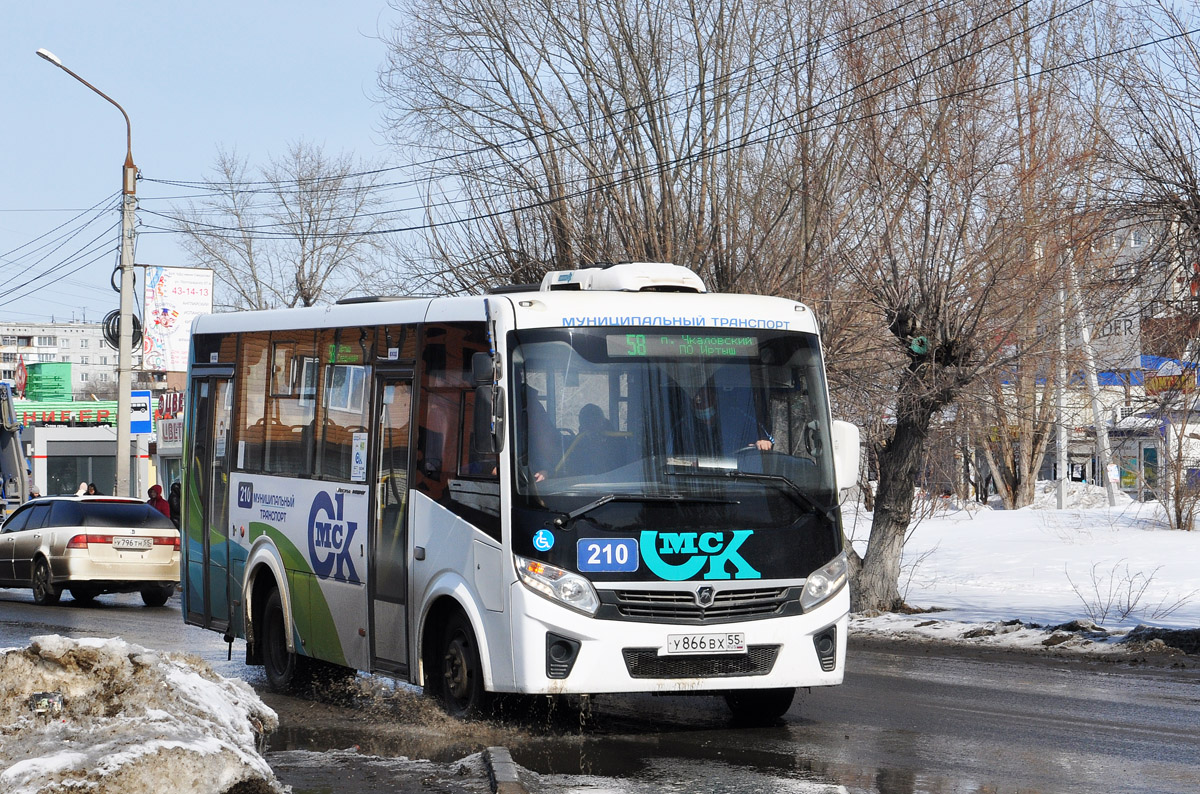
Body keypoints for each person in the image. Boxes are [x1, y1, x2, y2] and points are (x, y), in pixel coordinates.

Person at [675, 386, 773, 458]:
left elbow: (767, 439)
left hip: (738, 476)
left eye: (706, 399)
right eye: (698, 401)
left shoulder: (737, 417)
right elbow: (669, 456)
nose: (703, 405)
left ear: (715, 399)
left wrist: (763, 442)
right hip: (694, 480)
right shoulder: (684, 425)